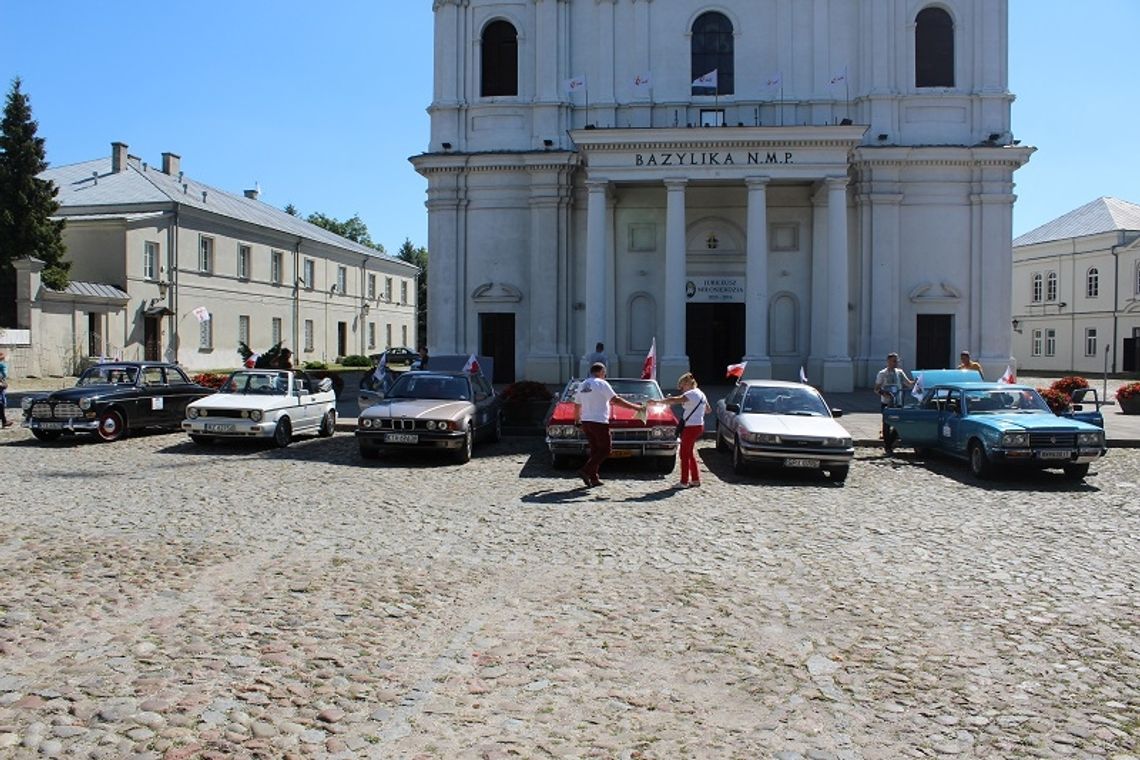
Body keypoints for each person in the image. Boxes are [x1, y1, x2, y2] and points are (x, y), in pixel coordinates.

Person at [573, 361, 645, 488]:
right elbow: (615, 400)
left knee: (595, 449)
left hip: (586, 420)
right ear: (602, 372)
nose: (605, 375)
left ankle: (594, 477)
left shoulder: (582, 384)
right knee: (606, 449)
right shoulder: (602, 383)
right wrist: (635, 407)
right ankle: (586, 470)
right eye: (604, 373)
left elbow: (577, 404)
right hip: (599, 420)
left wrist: (577, 421)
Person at [659, 373, 709, 488]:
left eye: (681, 387)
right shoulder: (701, 393)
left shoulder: (691, 393)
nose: (681, 390)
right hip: (699, 426)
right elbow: (708, 410)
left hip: (691, 427)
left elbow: (675, 400)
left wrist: (659, 401)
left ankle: (684, 481)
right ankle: (695, 479)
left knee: (684, 454)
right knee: (690, 453)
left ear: (687, 384)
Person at [874, 352, 914, 440]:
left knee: (899, 424)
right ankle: (887, 445)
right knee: (887, 424)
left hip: (898, 402)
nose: (896, 363)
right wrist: (884, 393)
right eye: (894, 361)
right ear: (888, 361)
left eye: (897, 361)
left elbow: (908, 384)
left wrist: (917, 381)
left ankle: (890, 441)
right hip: (887, 402)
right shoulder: (882, 373)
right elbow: (876, 389)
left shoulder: (900, 372)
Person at [0, 350, 11, 427]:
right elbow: (5, 374)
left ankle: (4, 420)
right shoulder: (2, 365)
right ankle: (4, 421)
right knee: (1, 403)